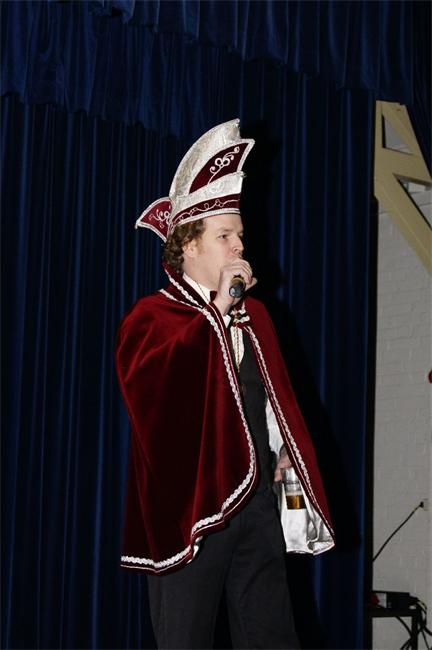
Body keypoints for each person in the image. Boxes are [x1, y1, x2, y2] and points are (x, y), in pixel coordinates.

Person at [115, 119, 335, 649]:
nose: (239, 247)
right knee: (185, 638)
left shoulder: (256, 316)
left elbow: (273, 402)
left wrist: (284, 454)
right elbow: (155, 399)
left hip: (255, 501)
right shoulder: (152, 318)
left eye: (240, 235)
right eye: (224, 236)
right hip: (190, 511)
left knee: (271, 637)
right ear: (188, 247)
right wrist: (217, 309)